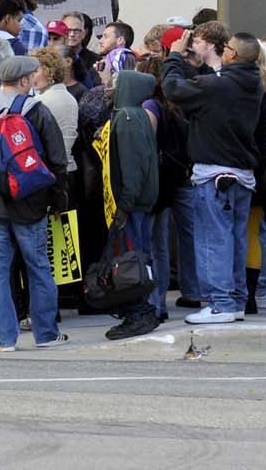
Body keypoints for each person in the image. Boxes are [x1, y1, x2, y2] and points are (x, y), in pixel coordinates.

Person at [0, 54, 69, 351]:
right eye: (32, 75)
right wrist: (58, 201)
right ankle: (46, 333)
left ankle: (5, 338)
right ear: (23, 80)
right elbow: (58, 161)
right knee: (38, 267)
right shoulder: (39, 111)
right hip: (31, 203)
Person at [159, 26, 264, 325]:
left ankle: (219, 303)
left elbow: (174, 89)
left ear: (231, 53)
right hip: (242, 174)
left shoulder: (221, 85)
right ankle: (236, 300)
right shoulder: (252, 82)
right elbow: (207, 95)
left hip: (215, 173)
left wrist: (175, 57)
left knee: (213, 240)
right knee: (235, 239)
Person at [103, 68, 163, 340]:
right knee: (139, 256)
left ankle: (139, 312)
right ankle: (144, 309)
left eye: (116, 83)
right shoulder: (135, 115)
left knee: (131, 260)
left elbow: (132, 169)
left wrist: (123, 206)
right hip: (138, 203)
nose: (111, 87)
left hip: (131, 205)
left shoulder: (127, 118)